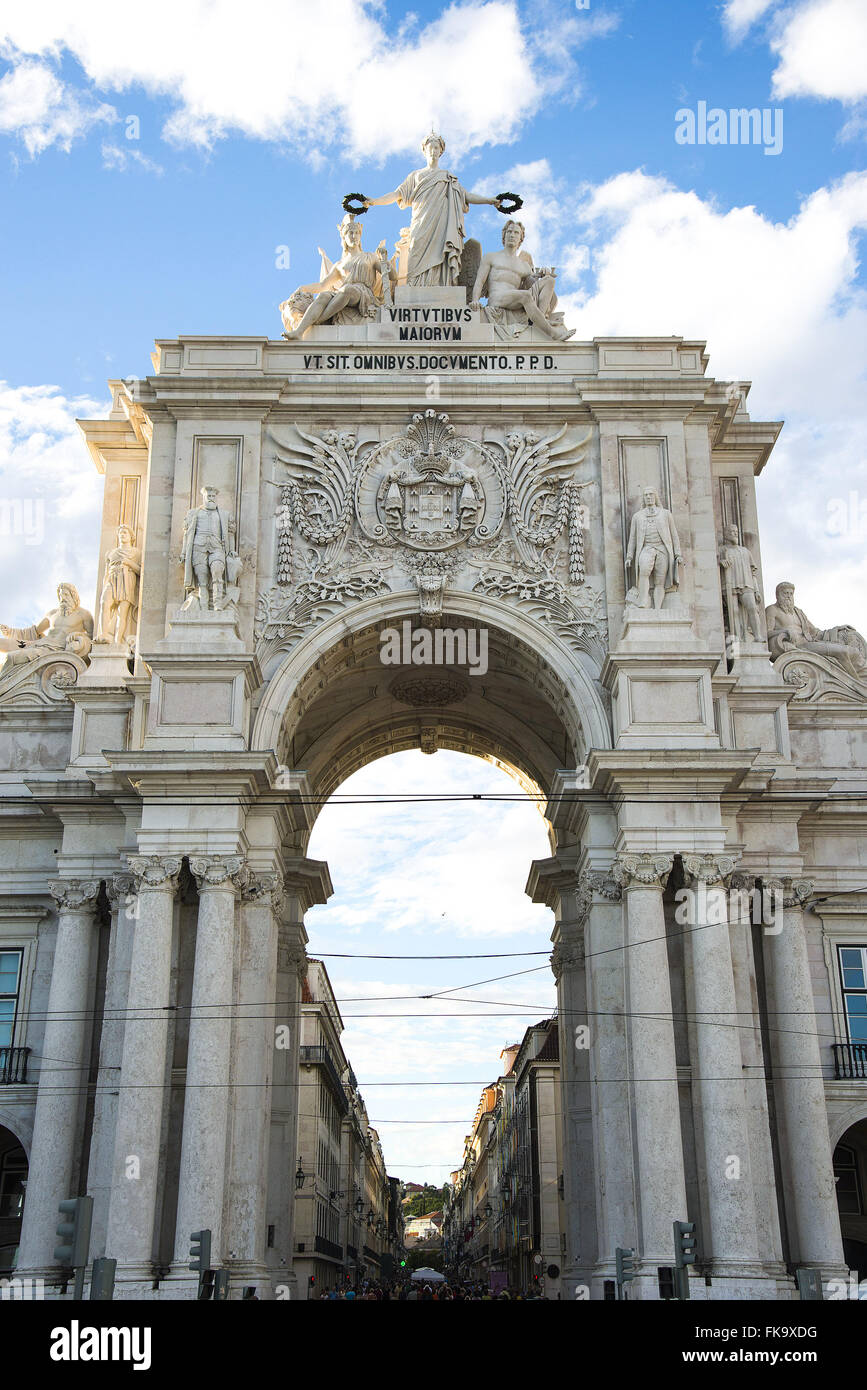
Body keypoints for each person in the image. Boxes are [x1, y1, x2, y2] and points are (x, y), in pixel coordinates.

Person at [363, 132, 506, 287]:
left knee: (441, 254)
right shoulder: (416, 176)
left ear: (441, 151)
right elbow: (397, 194)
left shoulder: (447, 177)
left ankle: (441, 286)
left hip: (442, 224)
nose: (433, 151)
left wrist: (490, 200)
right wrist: (375, 202)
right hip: (421, 222)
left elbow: (466, 195)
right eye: (430, 147)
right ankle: (414, 288)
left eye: (436, 147)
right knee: (415, 251)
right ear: (424, 150)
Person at [282, 214, 394, 338]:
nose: (353, 236)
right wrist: (303, 288)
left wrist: (385, 261)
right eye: (350, 233)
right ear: (344, 237)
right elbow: (323, 285)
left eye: (356, 233)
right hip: (344, 294)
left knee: (348, 290)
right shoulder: (339, 265)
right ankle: (299, 332)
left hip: (362, 294)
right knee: (324, 295)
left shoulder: (370, 257)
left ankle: (318, 321)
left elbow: (393, 276)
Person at [471, 219, 574, 341]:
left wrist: (543, 274)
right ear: (504, 235)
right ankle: (552, 333)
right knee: (525, 296)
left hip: (516, 300)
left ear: (521, 238)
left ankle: (539, 320)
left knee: (549, 281)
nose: (512, 235)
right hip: (497, 298)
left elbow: (533, 285)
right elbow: (479, 282)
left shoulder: (524, 265)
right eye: (509, 232)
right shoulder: (491, 257)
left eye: (516, 233)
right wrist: (475, 300)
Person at [0, 581, 93, 672]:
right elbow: (34, 631)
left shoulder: (84, 615)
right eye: (60, 595)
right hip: (40, 645)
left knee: (11, 657)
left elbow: (92, 638)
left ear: (73, 596)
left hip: (55, 650)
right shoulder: (53, 613)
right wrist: (10, 632)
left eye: (66, 595)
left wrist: (78, 635)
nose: (63, 598)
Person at [625, 486, 684, 610]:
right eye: (646, 495)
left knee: (660, 581)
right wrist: (629, 556)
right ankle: (642, 601)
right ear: (643, 498)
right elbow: (632, 539)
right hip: (646, 549)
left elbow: (674, 536)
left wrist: (678, 554)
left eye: (651, 494)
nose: (648, 497)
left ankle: (658, 608)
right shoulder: (638, 516)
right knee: (644, 572)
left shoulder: (665, 514)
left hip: (662, 549)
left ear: (655, 496)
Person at [97, 523, 141, 646]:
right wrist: (106, 583)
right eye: (120, 533)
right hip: (112, 579)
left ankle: (117, 640)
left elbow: (140, 570)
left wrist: (128, 563)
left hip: (127, 579)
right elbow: (106, 573)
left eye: (125, 533)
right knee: (104, 603)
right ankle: (103, 635)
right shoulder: (111, 553)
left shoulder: (136, 552)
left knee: (123, 613)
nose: (122, 535)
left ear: (131, 536)